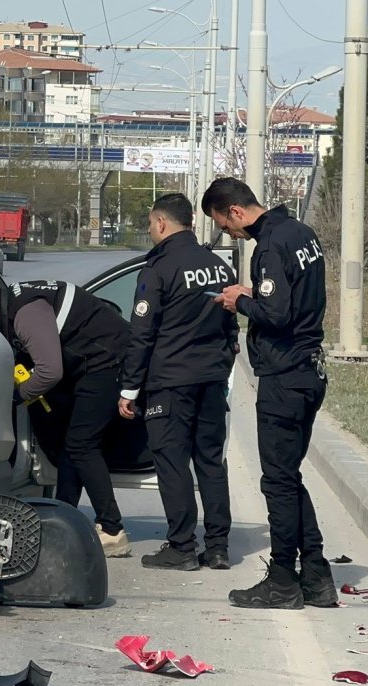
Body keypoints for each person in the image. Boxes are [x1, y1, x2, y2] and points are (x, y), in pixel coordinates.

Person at [203, 176, 335, 610]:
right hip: (309, 369)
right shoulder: (302, 232)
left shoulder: (270, 245)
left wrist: (238, 301)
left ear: (234, 211)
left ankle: (281, 580)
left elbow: (275, 315)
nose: (230, 234)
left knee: (277, 482)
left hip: (284, 376)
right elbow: (297, 300)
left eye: (225, 226)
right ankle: (315, 576)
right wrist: (254, 292)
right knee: (289, 478)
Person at [118, 193, 238, 572]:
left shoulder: (159, 269)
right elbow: (231, 328)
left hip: (170, 382)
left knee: (172, 463)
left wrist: (129, 388)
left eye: (151, 224)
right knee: (210, 463)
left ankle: (182, 546)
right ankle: (217, 547)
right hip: (212, 380)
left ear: (160, 223)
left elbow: (142, 333)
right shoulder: (219, 267)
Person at [0, 278, 133, 557]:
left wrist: (19, 394)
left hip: (110, 360)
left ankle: (113, 530)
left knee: (82, 445)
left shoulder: (26, 313)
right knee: (71, 446)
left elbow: (50, 372)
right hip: (94, 361)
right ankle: (64, 518)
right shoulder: (16, 300)